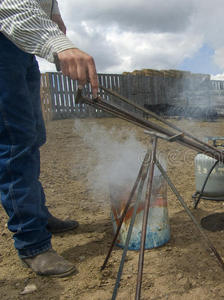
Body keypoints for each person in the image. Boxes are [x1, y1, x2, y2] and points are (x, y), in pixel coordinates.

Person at [0, 0, 99, 277]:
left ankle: (38, 217)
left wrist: (53, 15)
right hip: (3, 44)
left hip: (21, 49)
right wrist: (57, 42)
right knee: (14, 144)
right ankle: (32, 243)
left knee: (33, 137)